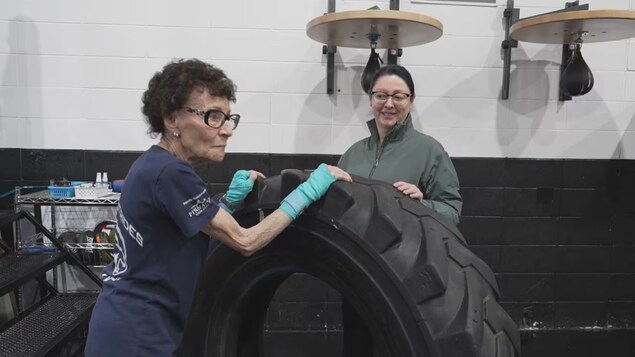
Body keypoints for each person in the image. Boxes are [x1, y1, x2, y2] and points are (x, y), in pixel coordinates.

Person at [84, 58, 352, 357]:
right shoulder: (171, 173)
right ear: (172, 119)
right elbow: (245, 241)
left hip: (124, 323)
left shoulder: (152, 165)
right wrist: (307, 192)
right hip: (137, 335)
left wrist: (229, 201)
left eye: (228, 118)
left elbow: (185, 227)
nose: (227, 130)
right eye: (213, 116)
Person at [337, 64, 462, 356]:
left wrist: (422, 205)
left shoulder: (430, 150)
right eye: (380, 95)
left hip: (406, 279)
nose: (388, 104)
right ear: (370, 99)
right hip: (357, 274)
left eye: (398, 96)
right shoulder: (353, 153)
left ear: (411, 100)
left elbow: (452, 210)